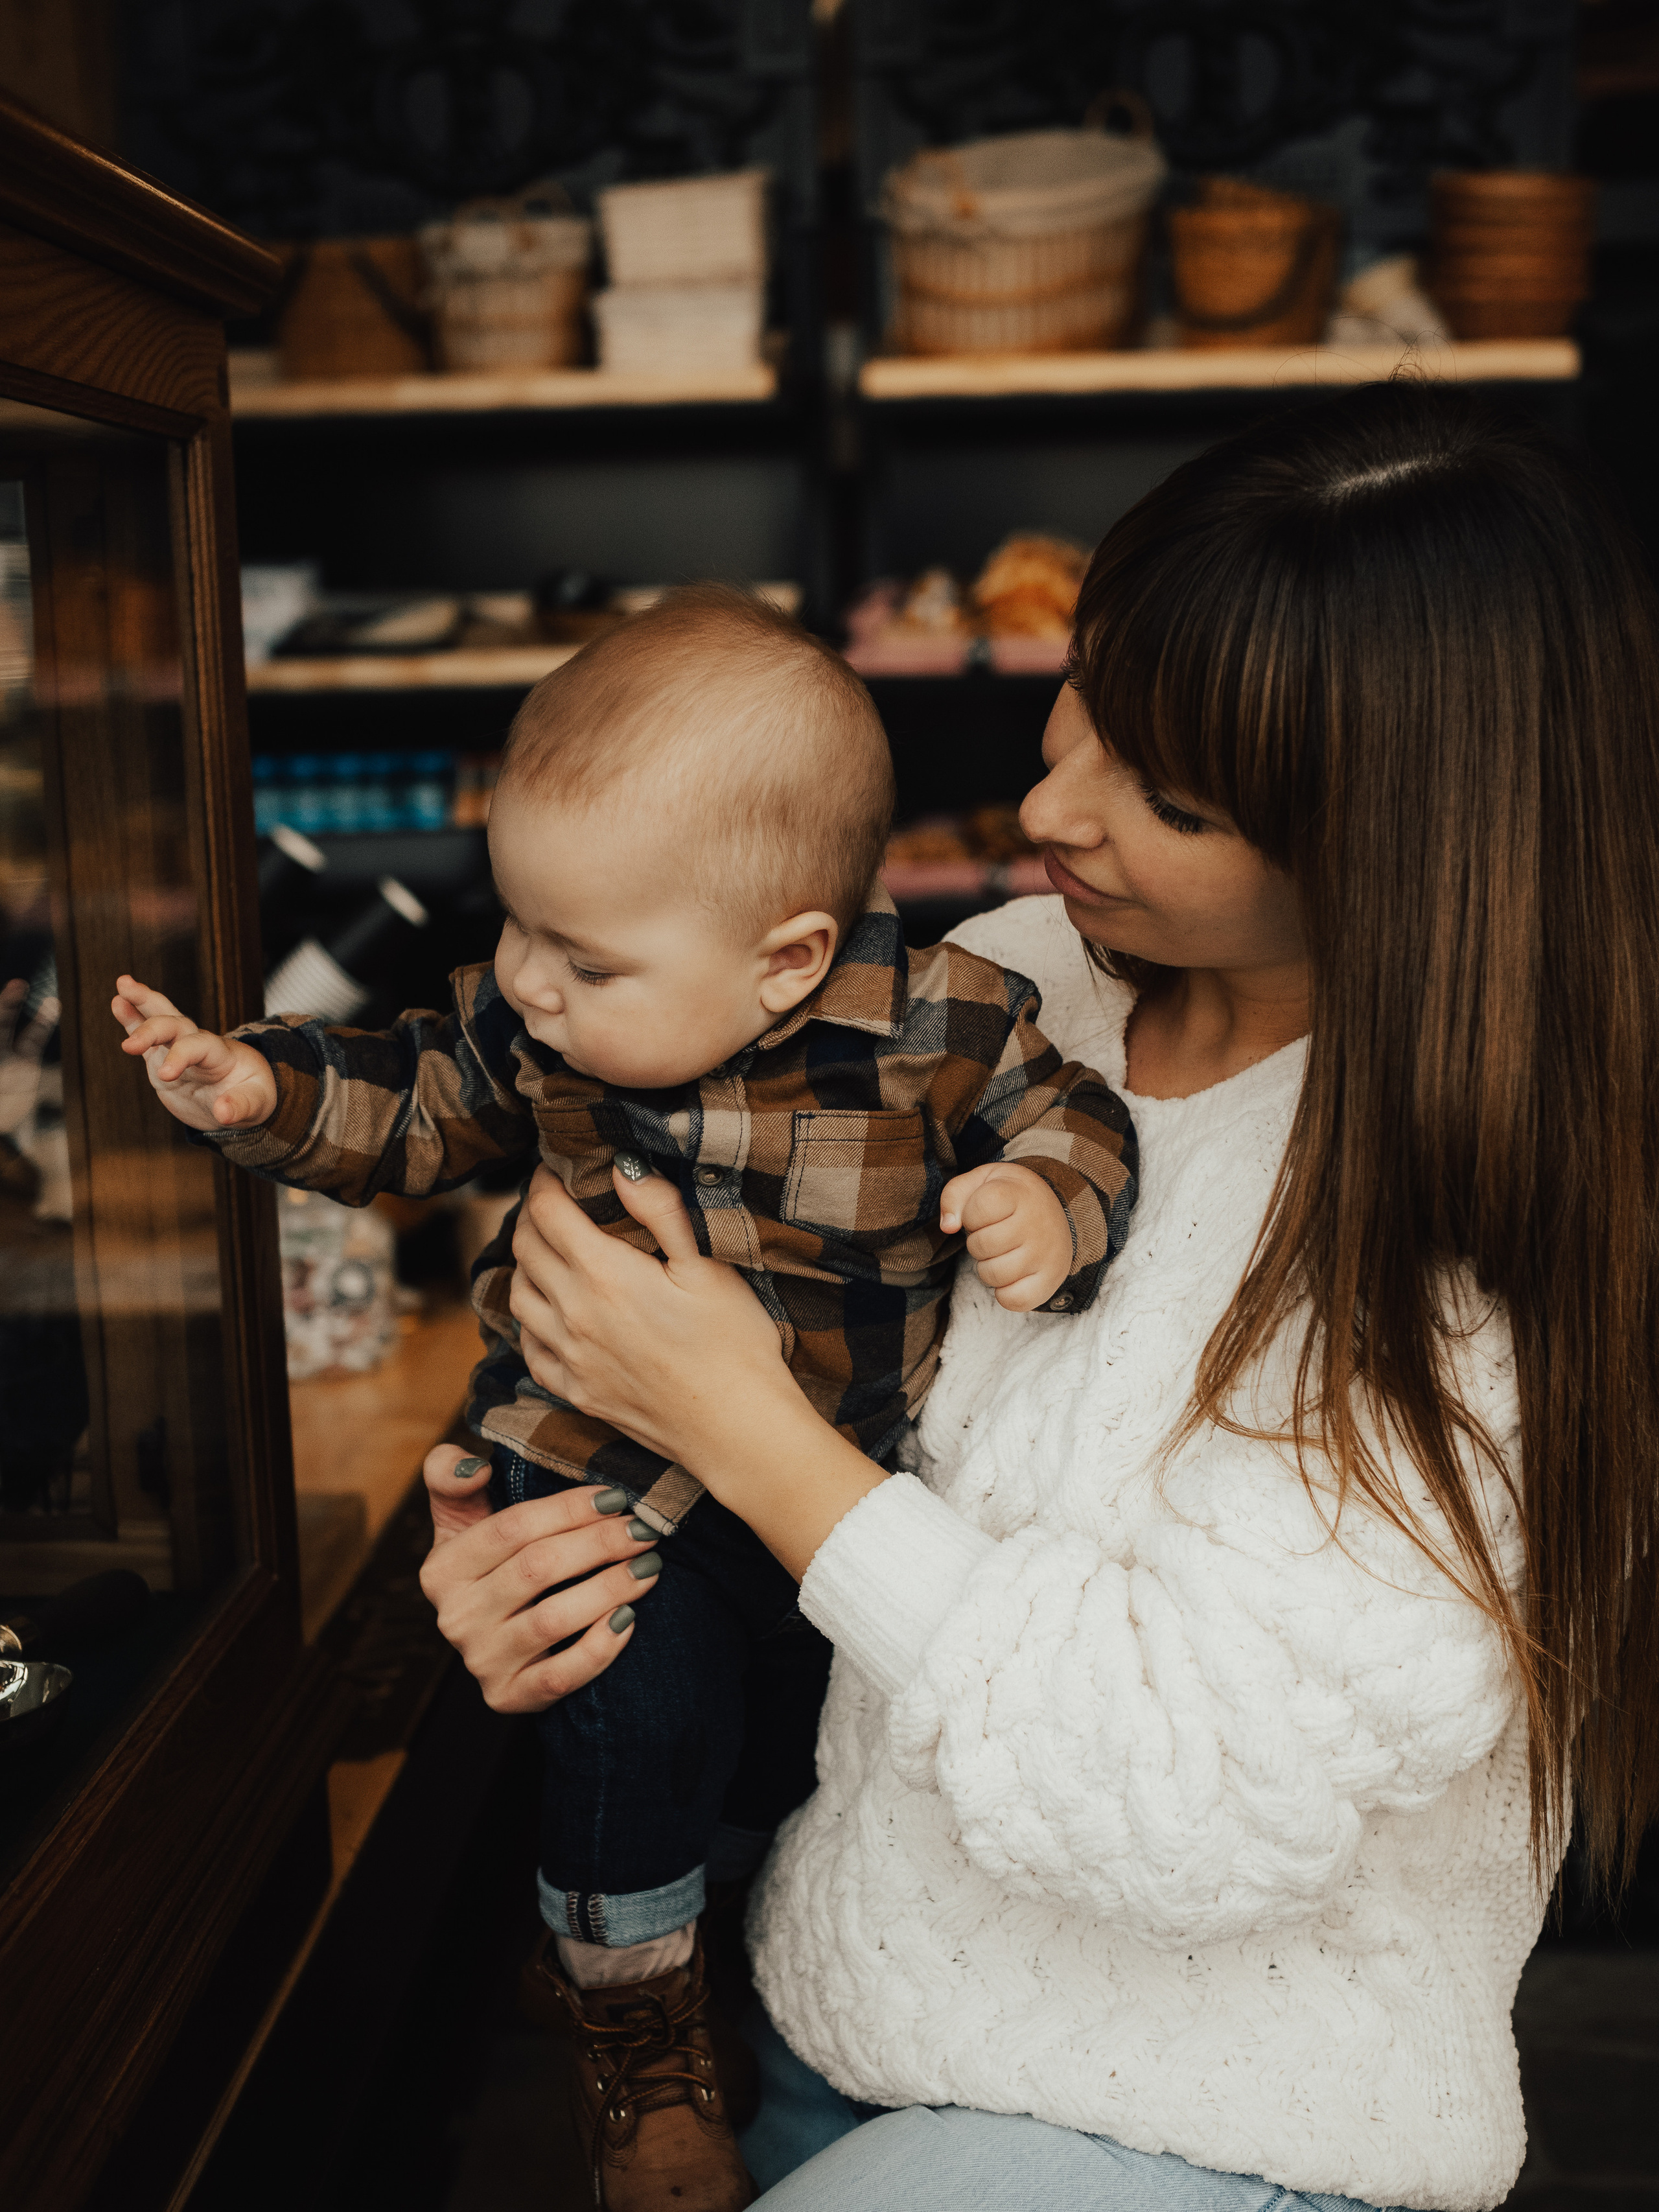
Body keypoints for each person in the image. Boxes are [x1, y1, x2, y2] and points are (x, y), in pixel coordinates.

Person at [417, 382, 1659, 2212]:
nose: (1049, 803)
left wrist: (740, 1431)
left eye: (1172, 796)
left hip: (1202, 2118)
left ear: (1393, 847)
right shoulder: (1004, 984)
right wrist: (570, 1542)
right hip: (846, 2010)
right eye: (1089, 693)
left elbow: (1193, 1786)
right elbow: (766, 1395)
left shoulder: (1463, 1239)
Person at [110, 587, 1139, 2212]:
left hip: (826, 1486)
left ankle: (672, 1928)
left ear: (788, 958)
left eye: (582, 958)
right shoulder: (543, 1027)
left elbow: (1072, 1119)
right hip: (592, 1464)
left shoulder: (946, 1021)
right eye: (516, 926)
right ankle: (635, 2033)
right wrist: (255, 1088)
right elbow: (412, 1099)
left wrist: (1044, 1204)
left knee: (782, 1753)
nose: (524, 982)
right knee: (635, 1708)